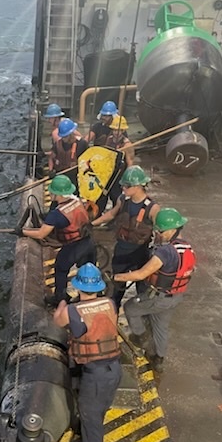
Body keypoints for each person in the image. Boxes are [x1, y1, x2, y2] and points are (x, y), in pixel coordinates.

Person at [53, 263, 122, 442]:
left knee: (92, 423)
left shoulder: (73, 311)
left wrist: (64, 299)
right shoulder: (110, 303)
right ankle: (87, 433)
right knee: (98, 413)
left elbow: (58, 320)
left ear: (78, 287)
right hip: (113, 369)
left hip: (96, 375)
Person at [113, 208, 196, 373]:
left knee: (131, 308)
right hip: (176, 295)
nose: (159, 233)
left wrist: (115, 277)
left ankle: (140, 338)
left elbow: (142, 273)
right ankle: (158, 359)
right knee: (160, 326)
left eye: (162, 231)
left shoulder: (165, 252)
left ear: (173, 230)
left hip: (160, 296)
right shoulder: (186, 247)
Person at [92, 166, 160, 312]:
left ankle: (142, 314)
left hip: (140, 253)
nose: (123, 188)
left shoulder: (152, 208)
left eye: (127, 186)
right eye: (123, 185)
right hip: (121, 251)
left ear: (137, 186)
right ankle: (113, 311)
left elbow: (161, 232)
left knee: (143, 288)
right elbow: (111, 214)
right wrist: (91, 224)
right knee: (115, 288)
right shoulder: (122, 200)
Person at [21, 175, 95, 306]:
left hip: (73, 246)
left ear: (56, 194)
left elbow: (41, 234)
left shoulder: (57, 214)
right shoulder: (77, 200)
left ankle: (60, 298)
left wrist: (22, 231)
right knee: (87, 270)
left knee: (61, 268)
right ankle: (88, 297)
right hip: (89, 242)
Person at [96, 114, 135, 214]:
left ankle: (116, 217)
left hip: (119, 175)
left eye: (119, 130)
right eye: (114, 130)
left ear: (123, 131)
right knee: (102, 196)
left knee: (116, 197)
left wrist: (127, 180)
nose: (116, 132)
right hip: (108, 174)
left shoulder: (126, 145)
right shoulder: (108, 139)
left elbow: (130, 162)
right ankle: (98, 215)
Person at [48, 118, 89, 189]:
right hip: (61, 176)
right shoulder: (58, 144)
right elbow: (51, 157)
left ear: (71, 134)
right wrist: (51, 170)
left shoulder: (81, 144)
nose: (63, 139)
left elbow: (88, 160)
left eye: (66, 136)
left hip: (75, 178)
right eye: (62, 137)